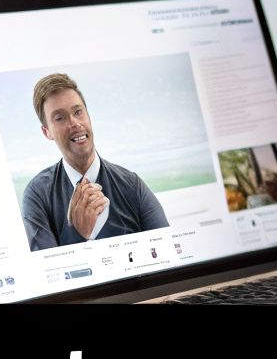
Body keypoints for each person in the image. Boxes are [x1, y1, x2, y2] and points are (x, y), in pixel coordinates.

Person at [20, 73, 168, 250]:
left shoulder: (132, 185)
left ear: (88, 115)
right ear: (47, 132)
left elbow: (166, 250)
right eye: (60, 118)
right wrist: (77, 233)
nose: (74, 123)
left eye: (78, 112)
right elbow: (46, 271)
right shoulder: (37, 195)